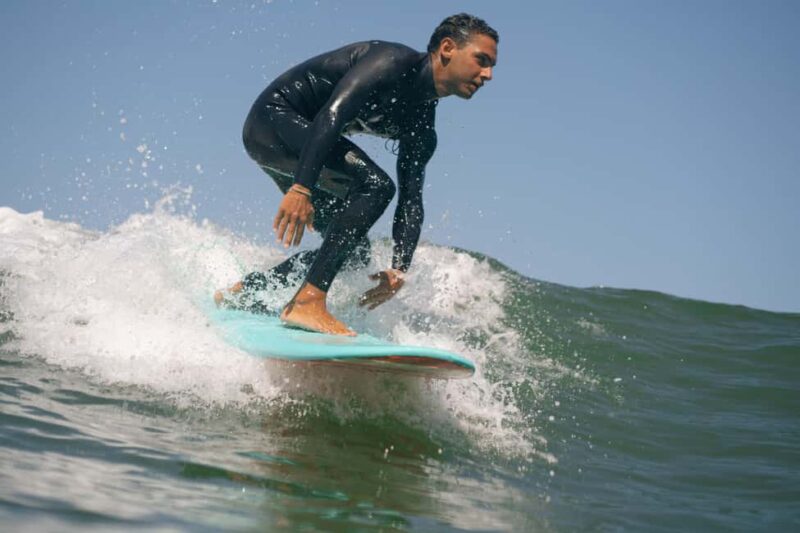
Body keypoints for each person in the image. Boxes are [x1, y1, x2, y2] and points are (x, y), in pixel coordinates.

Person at [215, 13, 498, 336]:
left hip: (303, 152)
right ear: (447, 48)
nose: (488, 74)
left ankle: (246, 291)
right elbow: (331, 116)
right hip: (272, 122)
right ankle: (307, 303)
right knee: (376, 186)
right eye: (482, 60)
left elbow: (411, 198)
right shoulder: (389, 62)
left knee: (354, 254)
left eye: (491, 66)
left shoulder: (421, 126)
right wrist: (302, 189)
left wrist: (399, 268)